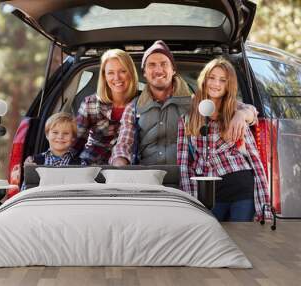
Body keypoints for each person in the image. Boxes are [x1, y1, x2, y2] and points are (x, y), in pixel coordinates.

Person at [110, 40, 257, 166]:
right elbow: (124, 143)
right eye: (152, 65)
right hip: (148, 180)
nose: (158, 69)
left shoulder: (194, 102)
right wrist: (120, 163)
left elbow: (248, 109)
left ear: (173, 69)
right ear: (144, 73)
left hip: (186, 180)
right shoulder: (134, 107)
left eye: (163, 64)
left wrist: (241, 114)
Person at [177, 57, 270, 221]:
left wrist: (265, 207)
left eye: (223, 80)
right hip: (210, 193)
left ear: (229, 85)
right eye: (212, 77)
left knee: (242, 240)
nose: (216, 84)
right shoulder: (187, 120)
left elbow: (254, 159)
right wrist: (190, 203)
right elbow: (184, 165)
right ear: (204, 80)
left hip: (241, 187)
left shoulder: (236, 115)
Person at [73, 49, 138, 165]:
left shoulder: (143, 102)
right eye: (111, 72)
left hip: (129, 168)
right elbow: (75, 140)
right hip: (92, 165)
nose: (117, 77)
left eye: (122, 71)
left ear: (131, 73)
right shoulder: (91, 103)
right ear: (104, 76)